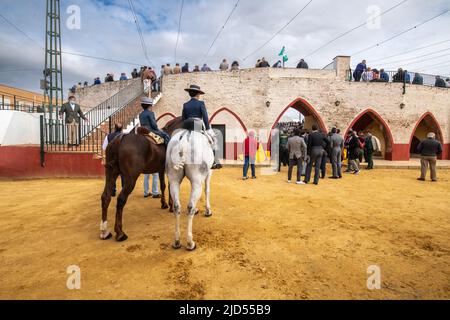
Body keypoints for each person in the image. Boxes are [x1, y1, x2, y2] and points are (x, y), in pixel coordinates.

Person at [182, 84, 222, 169]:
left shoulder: (185, 104)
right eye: (199, 94)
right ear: (197, 94)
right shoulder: (201, 103)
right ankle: (214, 162)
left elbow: (183, 119)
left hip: (187, 124)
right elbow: (205, 117)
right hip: (197, 124)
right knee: (213, 139)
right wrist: (207, 129)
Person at [102, 123, 124, 197]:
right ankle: (124, 189)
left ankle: (113, 190)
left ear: (114, 128)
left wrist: (104, 158)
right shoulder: (124, 136)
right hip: (122, 158)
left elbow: (104, 147)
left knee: (112, 174)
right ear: (121, 129)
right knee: (124, 173)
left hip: (112, 159)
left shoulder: (108, 136)